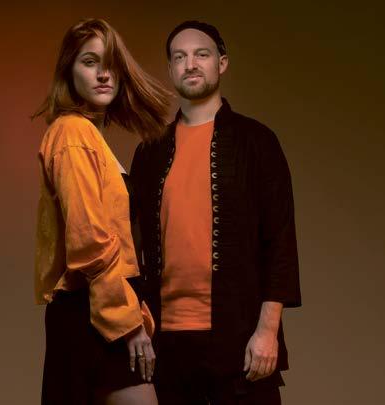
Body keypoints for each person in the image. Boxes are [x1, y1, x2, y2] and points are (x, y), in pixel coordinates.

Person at [129, 21, 302, 404]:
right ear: (171, 69)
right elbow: (129, 244)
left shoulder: (257, 142)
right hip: (166, 342)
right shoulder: (150, 151)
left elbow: (280, 241)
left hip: (241, 336)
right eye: (180, 57)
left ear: (222, 63)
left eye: (201, 54)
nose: (190, 64)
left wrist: (268, 331)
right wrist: (134, 325)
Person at [32, 18, 172, 405]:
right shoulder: (72, 133)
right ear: (69, 70)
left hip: (101, 306)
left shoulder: (89, 137)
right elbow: (88, 240)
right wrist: (128, 323)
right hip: (95, 311)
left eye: (111, 64)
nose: (104, 74)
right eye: (90, 62)